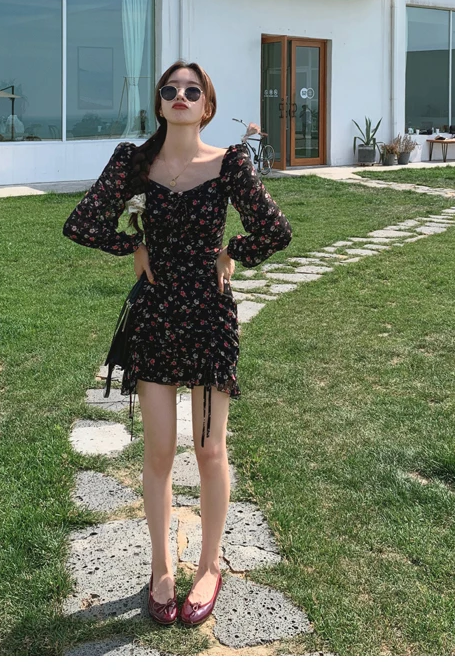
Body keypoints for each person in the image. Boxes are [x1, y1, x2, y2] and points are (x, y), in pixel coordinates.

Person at [63, 61, 292, 627]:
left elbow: (275, 230)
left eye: (193, 90)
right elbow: (82, 223)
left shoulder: (229, 163)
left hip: (209, 316)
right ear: (160, 104)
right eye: (171, 90)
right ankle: (161, 567)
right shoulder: (134, 163)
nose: (181, 96)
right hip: (157, 315)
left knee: (210, 450)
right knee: (159, 451)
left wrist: (232, 250)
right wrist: (133, 246)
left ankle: (210, 565)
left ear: (207, 106)